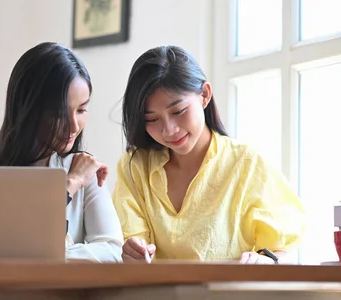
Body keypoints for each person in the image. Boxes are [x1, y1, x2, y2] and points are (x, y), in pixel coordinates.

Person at [113, 45, 306, 264]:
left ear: (204, 95)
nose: (169, 130)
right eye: (152, 119)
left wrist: (267, 261)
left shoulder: (247, 163)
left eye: (178, 111)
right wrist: (131, 253)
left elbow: (283, 247)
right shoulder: (135, 166)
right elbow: (129, 246)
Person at [0, 42, 123, 263]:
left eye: (82, 110)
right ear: (28, 108)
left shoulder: (85, 169)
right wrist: (70, 184)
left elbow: (113, 252)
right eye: (59, 113)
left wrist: (49, 258)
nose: (74, 125)